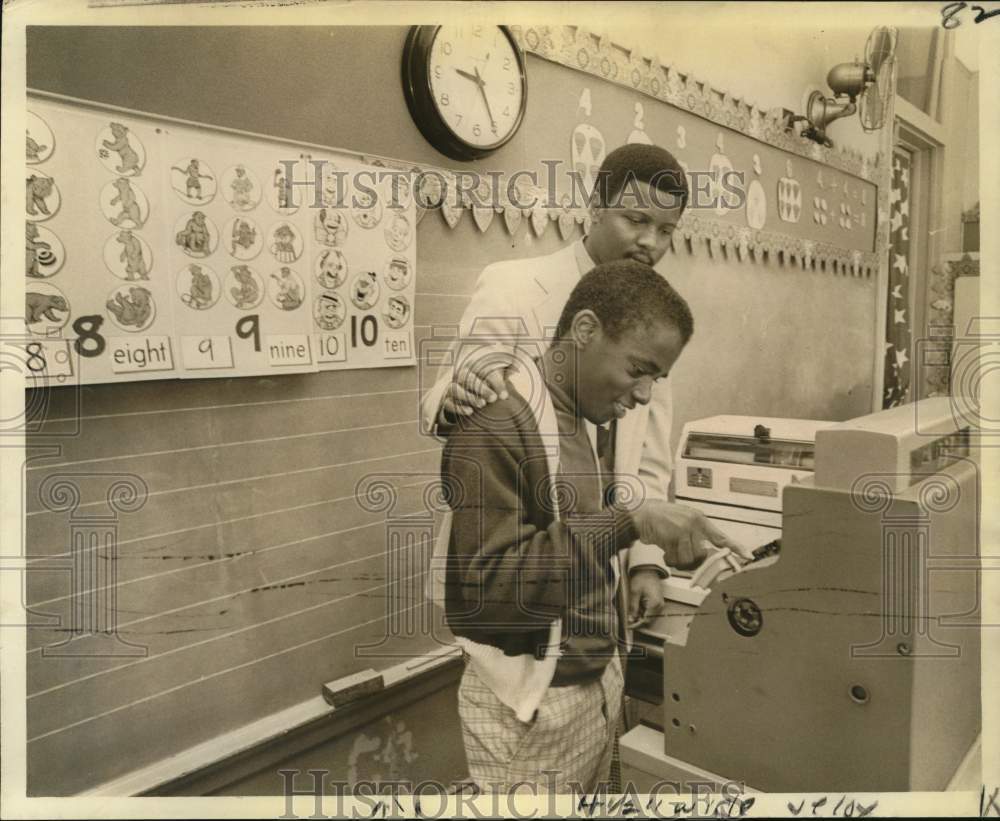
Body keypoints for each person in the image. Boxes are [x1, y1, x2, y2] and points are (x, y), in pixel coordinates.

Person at [441, 262, 750, 794]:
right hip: (533, 711)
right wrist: (629, 522)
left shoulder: (583, 418)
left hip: (591, 684)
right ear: (584, 331)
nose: (646, 396)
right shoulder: (496, 423)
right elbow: (483, 595)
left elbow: (574, 540)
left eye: (658, 377)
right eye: (638, 369)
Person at [422, 143, 702, 618]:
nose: (650, 242)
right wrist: (460, 392)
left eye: (666, 230)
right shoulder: (513, 286)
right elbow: (446, 398)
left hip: (602, 570)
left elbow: (649, 458)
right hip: (517, 569)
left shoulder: (655, 315)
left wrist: (646, 564)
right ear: (594, 208)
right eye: (635, 220)